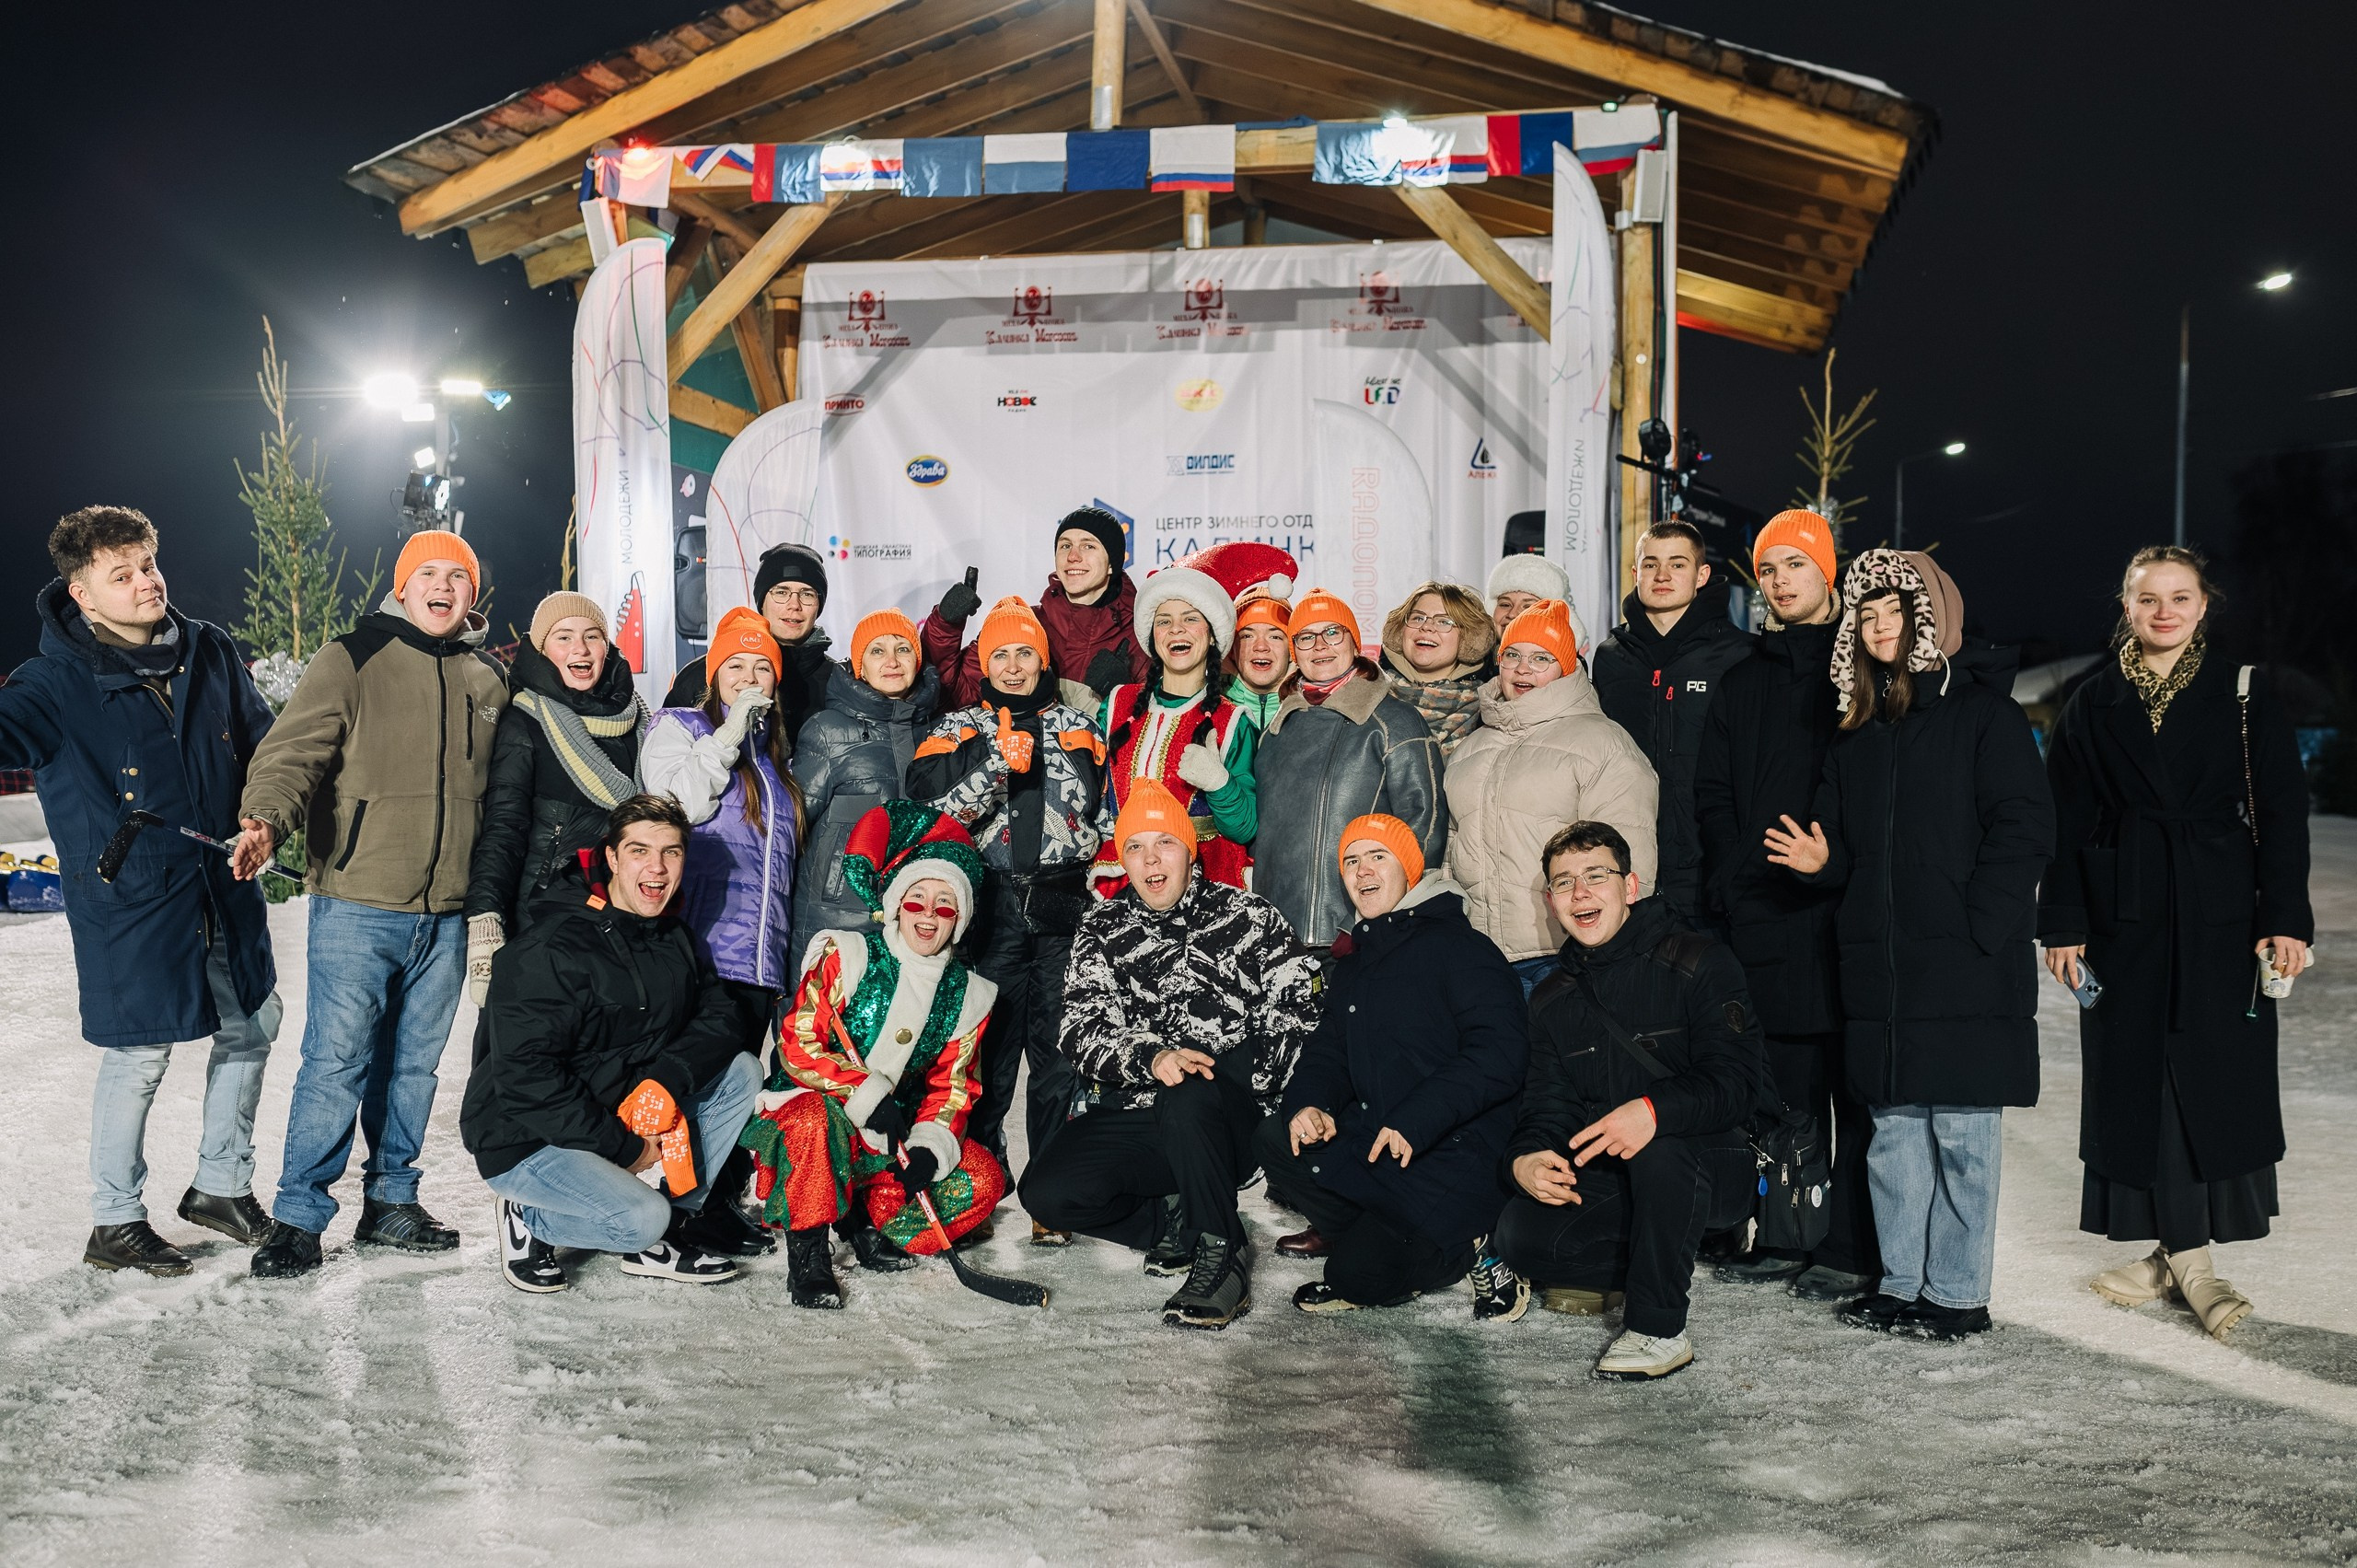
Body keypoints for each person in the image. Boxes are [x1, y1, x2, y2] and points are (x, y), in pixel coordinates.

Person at [1764, 549, 2053, 1341]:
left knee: (1962, 1133)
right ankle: (1901, 1283)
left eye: (1895, 610)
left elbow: (2025, 827)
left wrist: (1979, 922)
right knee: (1894, 1136)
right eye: (1867, 614)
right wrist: (1827, 865)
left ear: (1930, 619)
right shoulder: (1859, 730)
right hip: (1882, 966)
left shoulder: (1984, 716)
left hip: (1964, 962)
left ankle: (1957, 1294)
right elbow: (1847, 846)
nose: (1879, 625)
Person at [0, 506, 282, 1275]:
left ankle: (221, 1185)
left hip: (223, 883)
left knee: (255, 1020)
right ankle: (115, 1219)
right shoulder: (52, 682)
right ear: (82, 595)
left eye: (148, 565)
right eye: (120, 575)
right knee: (138, 1053)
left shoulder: (208, 650)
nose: (144, 583)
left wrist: (265, 820)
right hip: (132, 898)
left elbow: (263, 748)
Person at [2038, 546, 2312, 1340]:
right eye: (2148, 597)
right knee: (2142, 1085)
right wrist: (2062, 924)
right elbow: (2065, 823)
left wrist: (2285, 914)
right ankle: (2191, 1266)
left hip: (2222, 915)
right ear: (2126, 606)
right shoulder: (2092, 702)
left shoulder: (2244, 691)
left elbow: (2285, 812)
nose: (2165, 611)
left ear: (2203, 605)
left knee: (2213, 1080)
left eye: (2181, 596)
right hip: (2125, 922)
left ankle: (2176, 1259)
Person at [237, 528, 506, 1277]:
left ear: (472, 593)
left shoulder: (488, 680)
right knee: (337, 1060)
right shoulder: (352, 656)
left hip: (449, 912)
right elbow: (293, 751)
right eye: (429, 572)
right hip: (359, 899)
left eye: (459, 574)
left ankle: (391, 1200)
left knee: (415, 1067)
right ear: (402, 583)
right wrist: (264, 819)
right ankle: (297, 1214)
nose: (444, 585)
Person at [1021, 781, 1319, 1329]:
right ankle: (1173, 1222)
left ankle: (1219, 1255)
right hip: (1141, 1107)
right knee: (1046, 1191)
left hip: (1229, 1115)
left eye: (1165, 843)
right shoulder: (1103, 926)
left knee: (1189, 1092)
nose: (1150, 859)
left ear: (1190, 850)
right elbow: (1080, 1027)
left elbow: (1299, 1009)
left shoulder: (1250, 916)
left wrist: (1243, 1075)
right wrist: (1152, 1057)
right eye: (1135, 846)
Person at [1493, 821, 1766, 1379]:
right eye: (1564, 883)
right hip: (1621, 1173)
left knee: (1659, 1148)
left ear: (1631, 886)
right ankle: (1647, 1258)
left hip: (1712, 1162)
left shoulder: (1699, 962)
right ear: (1551, 902)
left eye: (1596, 876)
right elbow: (1547, 1105)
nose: (1580, 893)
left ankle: (1658, 1328)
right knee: (1520, 1234)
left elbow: (1739, 1085)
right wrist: (1527, 1158)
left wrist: (1654, 1111)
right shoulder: (1551, 999)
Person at [462, 795, 761, 1293]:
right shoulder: (549, 948)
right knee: (641, 1219)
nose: (658, 867)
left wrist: (667, 1081)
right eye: (640, 851)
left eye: (671, 853)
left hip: (611, 1108)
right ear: (612, 858)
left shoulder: (672, 937)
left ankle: (674, 1227)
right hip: (526, 1136)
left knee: (742, 1072)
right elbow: (525, 1078)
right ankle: (531, 1215)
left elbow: (721, 1016)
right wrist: (623, 1149)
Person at [1693, 510, 1879, 1299]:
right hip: (1766, 912)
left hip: (1845, 915)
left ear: (1826, 572)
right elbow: (1715, 795)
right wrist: (1737, 882)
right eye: (1768, 568)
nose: (1779, 580)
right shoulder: (1745, 676)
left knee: (1856, 1091)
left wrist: (1839, 866)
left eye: (1795, 564)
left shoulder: (1864, 671)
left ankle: (1849, 1246)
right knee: (1784, 1090)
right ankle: (1785, 1233)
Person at [1260, 815, 1528, 1318]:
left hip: (1453, 1152)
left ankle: (1474, 1244)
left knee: (1354, 1276)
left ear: (1408, 867)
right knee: (1276, 1138)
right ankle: (1378, 1239)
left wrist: (1416, 1118)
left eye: (1377, 856)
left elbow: (1500, 1056)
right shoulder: (1357, 962)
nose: (1362, 871)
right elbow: (1328, 1053)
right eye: (1350, 861)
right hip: (1382, 1145)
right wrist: (1309, 1104)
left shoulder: (1462, 948)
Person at [740, 804, 1003, 1309]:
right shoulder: (848, 954)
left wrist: (930, 1143)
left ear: (961, 919)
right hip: (811, 1121)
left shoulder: (970, 996)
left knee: (983, 1176)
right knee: (816, 1121)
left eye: (946, 904)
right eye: (918, 898)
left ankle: (874, 1223)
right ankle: (810, 1251)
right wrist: (861, 1091)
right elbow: (798, 1043)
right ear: (897, 903)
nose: (929, 914)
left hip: (889, 1135)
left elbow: (953, 1086)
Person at [906, 595, 1113, 1202]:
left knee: (1056, 1058)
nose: (1015, 665)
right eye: (1002, 654)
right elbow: (927, 816)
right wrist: (994, 764)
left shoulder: (1081, 728)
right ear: (984, 663)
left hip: (1062, 911)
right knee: (986, 1054)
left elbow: (1108, 813)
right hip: (987, 911)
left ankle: (1049, 1190)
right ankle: (982, 1180)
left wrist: (1092, 867)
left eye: (1027, 652)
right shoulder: (955, 728)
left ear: (1043, 659)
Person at [1444, 598, 1658, 995]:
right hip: (1480, 957)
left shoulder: (1603, 743)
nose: (1523, 669)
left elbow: (1631, 857)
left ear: (1567, 668)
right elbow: (1451, 856)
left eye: (1541, 658)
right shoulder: (1470, 749)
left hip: (1564, 957)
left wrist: (1614, 954)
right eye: (1512, 655)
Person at [465, 592, 647, 1006]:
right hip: (541, 925)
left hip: (620, 922)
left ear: (607, 647)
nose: (580, 649)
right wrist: (486, 917)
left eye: (592, 636)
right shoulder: (525, 722)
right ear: (543, 650)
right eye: (563, 637)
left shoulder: (639, 721)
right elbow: (503, 828)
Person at [1253, 591, 1444, 947]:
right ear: (1294, 651)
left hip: (1360, 932)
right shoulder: (1276, 731)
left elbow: (1424, 828)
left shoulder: (1393, 721)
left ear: (1354, 642)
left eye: (1333, 633)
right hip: (1277, 937)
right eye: (1306, 637)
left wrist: (1381, 920)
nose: (1320, 645)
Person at [1591, 522, 1755, 919]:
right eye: (1651, 565)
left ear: (1701, 575)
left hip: (1711, 862)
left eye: (1677, 564)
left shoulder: (1739, 654)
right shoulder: (1611, 657)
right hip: (1628, 864)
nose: (1662, 576)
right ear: (1636, 575)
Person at [1093, 562, 1258, 892]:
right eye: (1164, 621)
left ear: (1211, 636)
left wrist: (1219, 783)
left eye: (1191, 619)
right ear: (1153, 637)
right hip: (1126, 882)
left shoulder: (1233, 722)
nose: (1176, 630)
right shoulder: (1117, 705)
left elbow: (1245, 828)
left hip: (1205, 883)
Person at [791, 609, 941, 946]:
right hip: (837, 924)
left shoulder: (938, 732)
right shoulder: (827, 730)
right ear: (860, 665)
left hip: (917, 923)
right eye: (877, 651)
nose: (892, 661)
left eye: (903, 649)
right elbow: (791, 829)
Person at [922, 506, 1147, 714]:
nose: (1073, 556)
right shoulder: (1024, 625)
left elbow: (1163, 725)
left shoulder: (1142, 633)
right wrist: (945, 625)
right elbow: (950, 694)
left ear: (1111, 564)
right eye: (1065, 546)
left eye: (1088, 546)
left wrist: (1124, 694)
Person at [662, 541, 835, 746]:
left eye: (807, 594)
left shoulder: (839, 682)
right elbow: (666, 757)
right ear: (762, 601)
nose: (794, 605)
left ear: (818, 605)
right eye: (781, 592)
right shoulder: (706, 674)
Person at [1379, 581, 1497, 758]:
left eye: (1443, 621)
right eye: (1418, 618)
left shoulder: (1491, 710)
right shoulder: (1367, 694)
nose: (1426, 627)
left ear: (1470, 638)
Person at [1225, 596, 1292, 731]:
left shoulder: (1313, 709)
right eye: (1247, 636)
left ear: (1291, 650)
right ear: (1232, 649)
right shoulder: (1208, 706)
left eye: (1275, 637)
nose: (1261, 646)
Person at [1488, 550, 1571, 643]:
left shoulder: (1569, 658)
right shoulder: (1473, 656)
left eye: (1528, 607)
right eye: (1505, 605)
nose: (1512, 614)